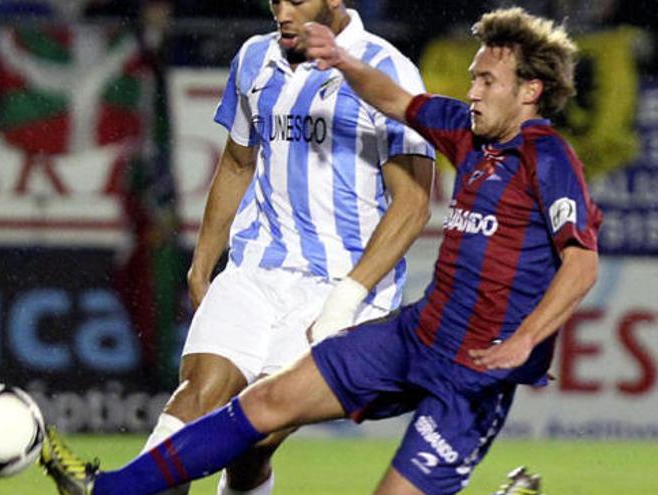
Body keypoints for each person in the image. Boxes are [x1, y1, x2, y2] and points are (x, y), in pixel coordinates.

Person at [38, 6, 601, 495]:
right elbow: (399, 101)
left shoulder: (547, 159)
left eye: (486, 81)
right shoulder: (466, 132)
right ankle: (107, 488)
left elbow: (581, 261)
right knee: (264, 404)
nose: (471, 90)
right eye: (473, 78)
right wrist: (342, 60)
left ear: (530, 91)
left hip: (472, 377)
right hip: (415, 337)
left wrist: (526, 339)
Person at [128, 0, 435, 493]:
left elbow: (414, 203)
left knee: (254, 439)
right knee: (191, 407)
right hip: (256, 268)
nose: (282, 11)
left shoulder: (388, 70)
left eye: (296, 0)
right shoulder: (254, 59)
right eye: (276, 1)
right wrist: (202, 263)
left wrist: (347, 300)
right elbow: (235, 161)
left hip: (338, 284)